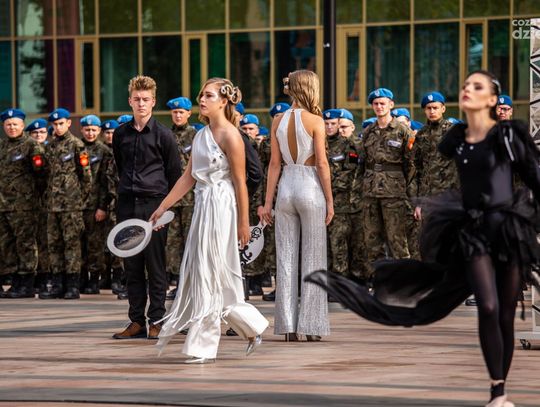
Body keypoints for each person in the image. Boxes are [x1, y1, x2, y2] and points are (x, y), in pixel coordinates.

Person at [306, 70, 540, 407]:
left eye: (477, 86)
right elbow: (430, 163)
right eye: (465, 85)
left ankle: (501, 390)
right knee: (487, 307)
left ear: (491, 98)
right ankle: (497, 389)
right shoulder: (455, 138)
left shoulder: (508, 135)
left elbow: (534, 178)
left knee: (504, 313)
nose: (467, 90)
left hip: (507, 230)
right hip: (473, 231)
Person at [152, 78, 269, 363]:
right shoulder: (200, 134)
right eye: (201, 95)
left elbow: (241, 182)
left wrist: (243, 223)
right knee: (204, 270)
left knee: (211, 270)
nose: (202, 100)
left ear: (224, 101)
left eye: (209, 95)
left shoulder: (232, 136)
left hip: (223, 207)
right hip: (203, 206)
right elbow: (188, 177)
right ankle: (252, 327)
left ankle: (202, 346)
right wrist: (163, 206)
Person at [261, 70, 333, 342]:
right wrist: (330, 200)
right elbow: (322, 163)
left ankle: (288, 326)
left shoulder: (277, 119)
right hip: (310, 186)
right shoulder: (315, 120)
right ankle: (312, 326)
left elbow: (273, 164)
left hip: (285, 188)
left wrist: (267, 202)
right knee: (314, 257)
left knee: (285, 258)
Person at [111, 75, 182, 340]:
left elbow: (175, 176)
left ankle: (157, 321)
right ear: (130, 101)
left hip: (154, 207)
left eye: (146, 99)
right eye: (137, 99)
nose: (141, 103)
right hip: (127, 205)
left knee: (155, 266)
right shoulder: (120, 134)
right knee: (131, 266)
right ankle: (136, 321)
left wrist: (164, 211)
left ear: (153, 102)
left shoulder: (164, 135)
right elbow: (120, 166)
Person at [360, 88, 415, 278]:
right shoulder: (368, 132)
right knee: (372, 240)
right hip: (371, 192)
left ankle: (404, 282)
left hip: (394, 193)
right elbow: (363, 163)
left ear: (391, 104)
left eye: (382, 103)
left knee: (397, 240)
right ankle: (379, 281)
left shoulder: (403, 131)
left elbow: (411, 165)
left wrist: (408, 192)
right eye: (375, 104)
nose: (379, 107)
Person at [40, 108, 93, 300]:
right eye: (55, 124)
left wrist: (79, 201)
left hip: (71, 206)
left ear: (68, 123)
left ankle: (72, 285)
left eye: (61, 123)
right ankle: (57, 284)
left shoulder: (77, 145)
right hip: (52, 206)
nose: (58, 127)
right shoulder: (50, 146)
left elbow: (86, 177)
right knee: (54, 244)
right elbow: (45, 175)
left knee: (72, 244)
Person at [0, 109, 44, 298]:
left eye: (15, 124)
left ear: (22, 125)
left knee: (25, 244)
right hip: (3, 205)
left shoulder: (31, 146)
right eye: (8, 124)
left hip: (25, 206)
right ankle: (14, 282)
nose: (11, 127)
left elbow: (42, 175)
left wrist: (33, 197)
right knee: (7, 245)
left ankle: (27, 284)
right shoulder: (2, 146)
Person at [411, 91, 458, 259]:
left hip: (448, 196)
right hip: (428, 198)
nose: (432, 111)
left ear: (443, 108)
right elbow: (417, 169)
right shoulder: (421, 134)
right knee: (428, 241)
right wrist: (418, 202)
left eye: (435, 107)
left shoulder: (453, 132)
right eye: (428, 108)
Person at [164, 96, 197, 301]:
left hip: (192, 198)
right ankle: (177, 282)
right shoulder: (165, 135)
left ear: (189, 113)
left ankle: (191, 282)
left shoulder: (196, 135)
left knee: (191, 240)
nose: (177, 115)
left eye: (181, 112)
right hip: (171, 198)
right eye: (175, 112)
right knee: (173, 242)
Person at [79, 115, 111, 294]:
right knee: (79, 244)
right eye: (87, 129)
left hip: (95, 205)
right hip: (76, 205)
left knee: (94, 244)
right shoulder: (77, 147)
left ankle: (94, 280)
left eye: (93, 130)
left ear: (99, 131)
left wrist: (102, 207)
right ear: (81, 130)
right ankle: (81, 277)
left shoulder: (104, 151)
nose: (90, 133)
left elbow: (105, 182)